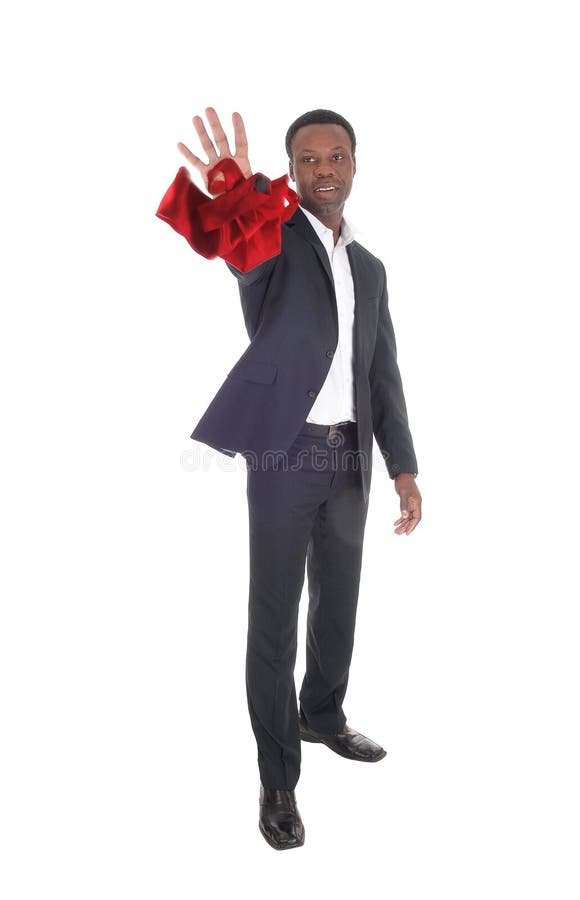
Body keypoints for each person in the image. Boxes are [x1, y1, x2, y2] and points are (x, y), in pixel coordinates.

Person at [157, 106, 422, 851]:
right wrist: (237, 191)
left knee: (338, 600)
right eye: (308, 161)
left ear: (355, 165)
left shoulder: (370, 268)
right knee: (274, 617)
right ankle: (278, 779)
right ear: (294, 171)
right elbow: (240, 249)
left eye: (336, 156)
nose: (324, 169)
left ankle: (323, 715)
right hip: (284, 455)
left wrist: (402, 466)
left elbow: (383, 374)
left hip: (349, 458)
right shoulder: (272, 236)